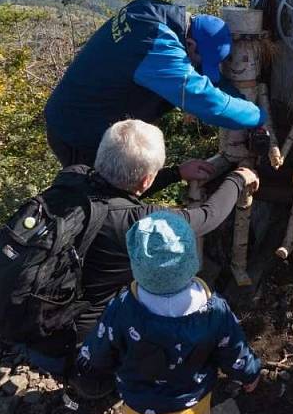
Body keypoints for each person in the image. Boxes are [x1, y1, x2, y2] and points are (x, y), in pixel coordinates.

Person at [27, 118, 259, 380]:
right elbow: (207, 217)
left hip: (35, 322)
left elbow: (113, 189)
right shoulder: (138, 223)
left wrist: (175, 173)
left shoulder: (72, 179)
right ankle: (96, 379)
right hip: (77, 345)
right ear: (148, 178)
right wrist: (239, 179)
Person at [77, 211, 261, 414]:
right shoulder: (214, 309)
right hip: (191, 408)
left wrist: (87, 367)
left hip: (140, 408)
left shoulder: (123, 307)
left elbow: (99, 349)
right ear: (191, 259)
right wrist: (250, 372)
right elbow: (234, 349)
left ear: (137, 264)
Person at [44, 0, 267, 167]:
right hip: (79, 133)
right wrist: (258, 115)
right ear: (190, 44)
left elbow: (208, 81)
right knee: (102, 207)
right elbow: (209, 104)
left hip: (70, 117)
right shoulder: (156, 46)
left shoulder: (151, 11)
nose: (198, 69)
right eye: (200, 62)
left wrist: (240, 100)